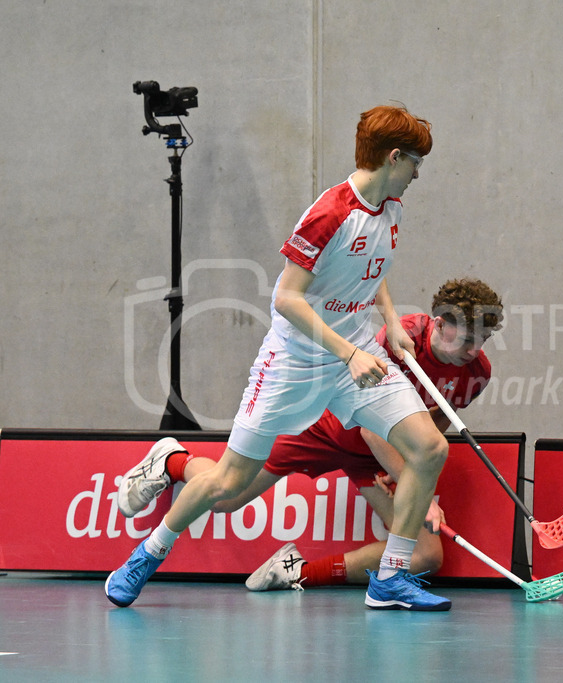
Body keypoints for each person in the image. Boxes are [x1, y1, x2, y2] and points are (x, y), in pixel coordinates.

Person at [106, 104, 458, 611]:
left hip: (357, 355)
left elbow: (370, 267)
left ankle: (390, 578)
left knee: (429, 449)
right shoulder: (329, 213)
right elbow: (286, 298)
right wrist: (348, 352)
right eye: (416, 162)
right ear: (394, 157)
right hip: (295, 362)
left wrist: (388, 323)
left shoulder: (392, 207)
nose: (419, 173)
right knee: (228, 482)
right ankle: (148, 551)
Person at [115, 278, 503, 592]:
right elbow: (370, 426)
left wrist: (405, 468)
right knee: (225, 499)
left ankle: (297, 572)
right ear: (439, 323)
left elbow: (437, 420)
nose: (473, 350)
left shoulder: (477, 373)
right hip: (327, 427)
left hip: (372, 458)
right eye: (466, 338)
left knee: (425, 556)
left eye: (482, 341)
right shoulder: (401, 340)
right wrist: (409, 477)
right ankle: (172, 460)